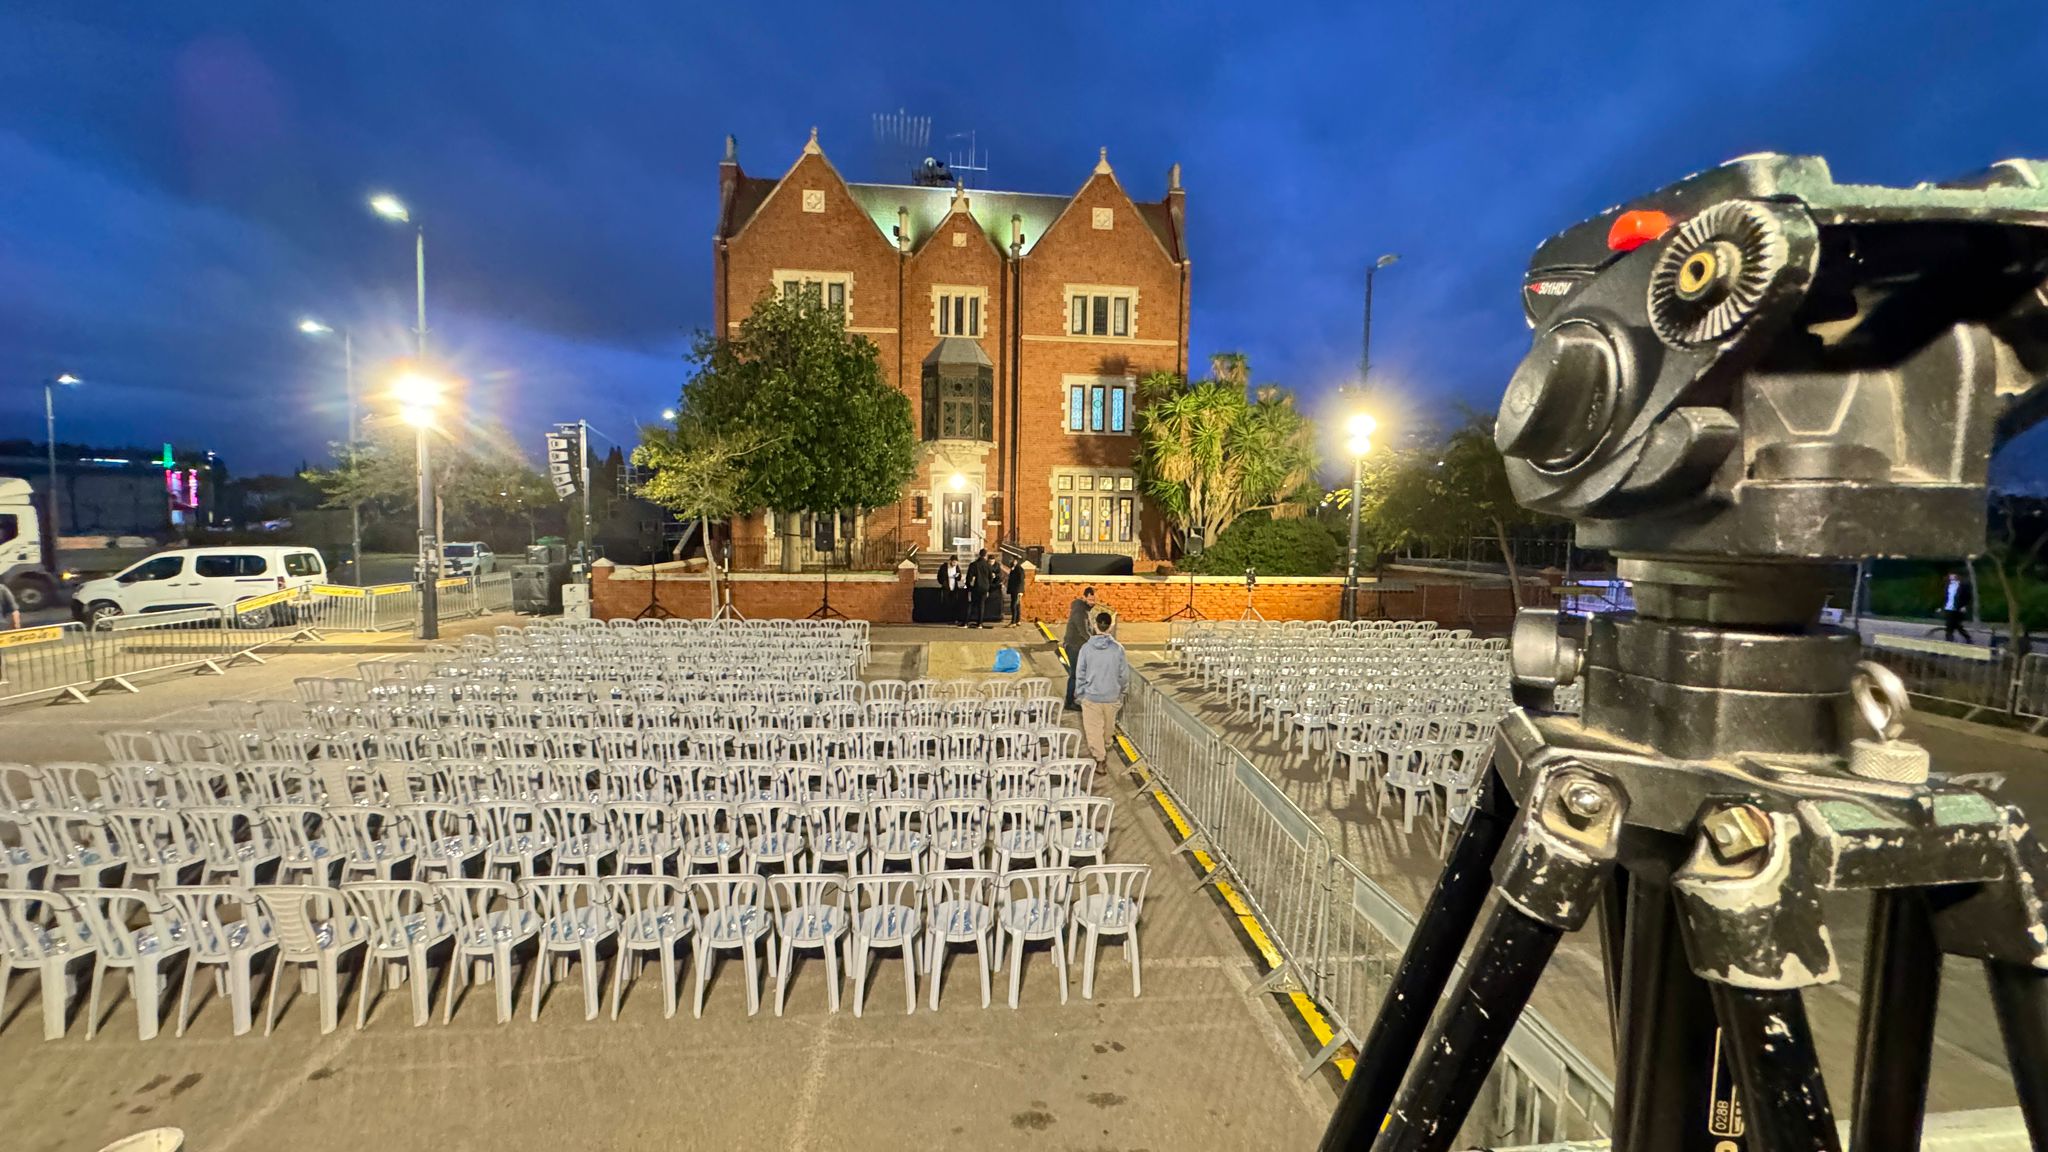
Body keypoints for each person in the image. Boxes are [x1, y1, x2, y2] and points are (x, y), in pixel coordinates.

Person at [1073, 610, 1131, 775]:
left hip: (1091, 695)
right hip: (1112, 695)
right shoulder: (1118, 649)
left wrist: (1080, 692)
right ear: (1110, 627)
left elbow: (1080, 672)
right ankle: (1105, 745)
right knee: (1108, 728)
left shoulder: (1086, 649)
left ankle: (1100, 759)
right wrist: (1122, 692)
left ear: (1094, 625)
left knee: (1093, 730)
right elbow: (1123, 674)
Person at [1061, 585, 1097, 706]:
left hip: (1078, 646)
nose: (1092, 602)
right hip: (1074, 647)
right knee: (1075, 675)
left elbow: (1090, 628)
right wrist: (1096, 643)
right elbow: (1083, 631)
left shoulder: (1085, 609)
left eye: (1094, 600)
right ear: (1084, 597)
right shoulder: (1080, 611)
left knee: (1080, 673)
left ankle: (1076, 697)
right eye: (1090, 599)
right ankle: (1069, 701)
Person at [1940, 570, 1974, 644]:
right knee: (1951, 626)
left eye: (1954, 576)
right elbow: (1946, 597)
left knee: (1955, 625)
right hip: (1949, 608)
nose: (1952, 577)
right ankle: (1950, 641)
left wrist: (1964, 606)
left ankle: (1966, 638)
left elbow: (1968, 597)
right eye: (1951, 576)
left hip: (1957, 608)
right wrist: (1942, 606)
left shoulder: (1963, 586)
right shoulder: (1947, 585)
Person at [965, 550, 991, 629]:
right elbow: (991, 577)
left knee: (970, 604)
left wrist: (968, 586)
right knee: (981, 605)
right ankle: (980, 623)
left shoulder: (973, 564)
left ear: (979, 555)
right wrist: (988, 586)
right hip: (985, 587)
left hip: (976, 587)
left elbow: (969, 577)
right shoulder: (988, 565)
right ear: (986, 556)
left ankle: (966, 622)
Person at [936, 557, 961, 625]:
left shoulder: (957, 567)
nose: (955, 564)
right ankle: (947, 618)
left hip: (954, 588)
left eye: (956, 562)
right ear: (950, 561)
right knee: (947, 603)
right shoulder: (944, 567)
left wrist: (957, 576)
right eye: (953, 562)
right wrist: (943, 583)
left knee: (955, 603)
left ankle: (954, 618)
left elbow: (959, 578)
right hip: (946, 588)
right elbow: (939, 577)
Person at [1005, 560, 1027, 626]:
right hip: (1015, 590)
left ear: (1016, 561)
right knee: (1017, 605)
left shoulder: (1019, 569)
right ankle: (1017, 620)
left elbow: (1021, 580)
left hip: (1016, 590)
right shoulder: (1015, 568)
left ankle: (1013, 622)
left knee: (1013, 605)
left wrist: (1019, 591)